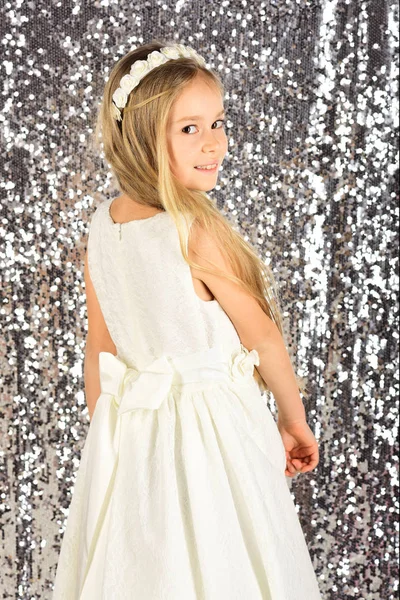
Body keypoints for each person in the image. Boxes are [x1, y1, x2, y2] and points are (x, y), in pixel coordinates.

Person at [52, 40, 322, 599]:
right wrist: (293, 421)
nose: (215, 143)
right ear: (144, 137)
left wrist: (113, 443)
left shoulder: (102, 227)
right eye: (189, 129)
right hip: (214, 433)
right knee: (225, 558)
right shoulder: (190, 228)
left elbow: (99, 353)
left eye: (218, 122)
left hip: (138, 433)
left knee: (150, 564)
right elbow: (264, 338)